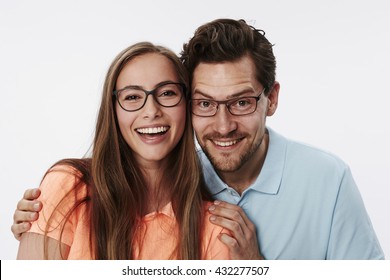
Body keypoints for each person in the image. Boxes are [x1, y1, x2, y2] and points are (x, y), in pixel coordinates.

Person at [12, 19, 384, 260]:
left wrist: (256, 269)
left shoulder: (327, 179)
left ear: (271, 99)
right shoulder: (178, 182)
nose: (223, 126)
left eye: (240, 102)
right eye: (206, 103)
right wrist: (50, 214)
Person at [15, 42, 230, 260]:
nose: (151, 111)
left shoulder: (214, 226)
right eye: (132, 97)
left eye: (167, 93)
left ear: (188, 104)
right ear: (113, 111)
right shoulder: (68, 186)